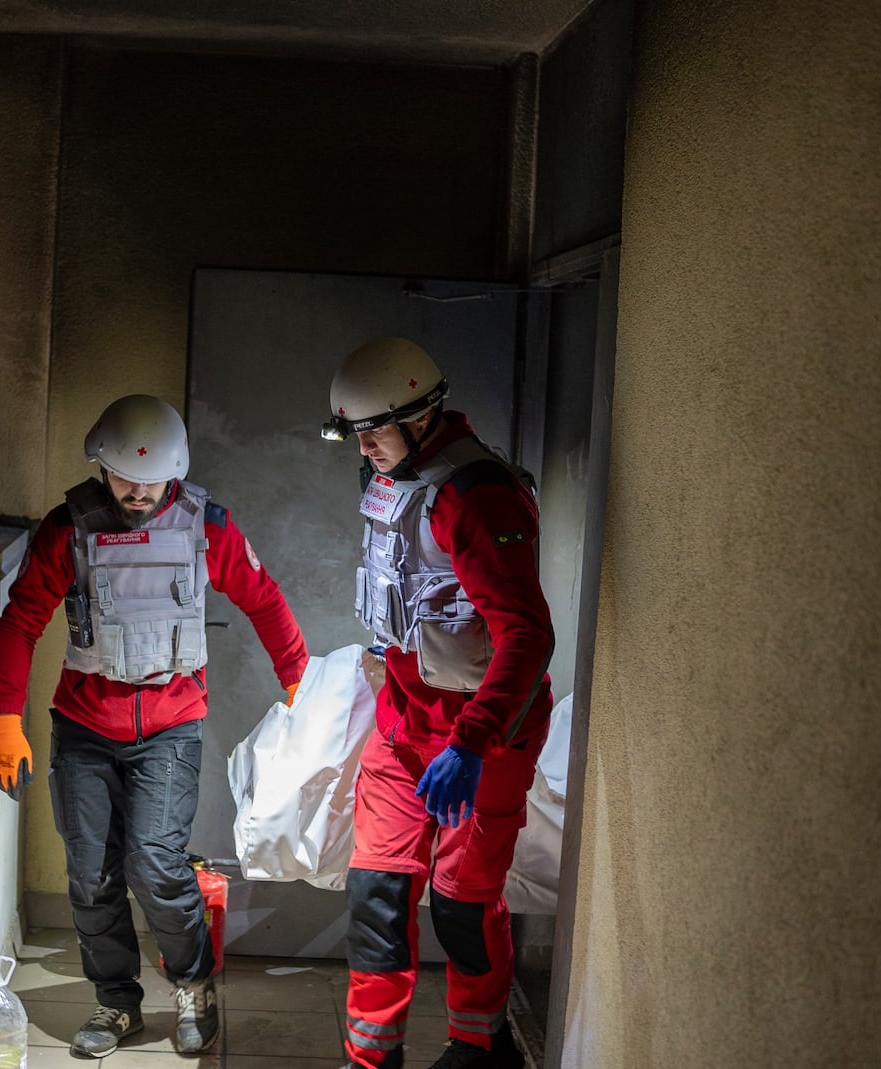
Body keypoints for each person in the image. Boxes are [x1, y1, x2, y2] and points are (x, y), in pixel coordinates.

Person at [0, 393, 308, 1058]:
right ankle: (116, 1003)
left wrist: (298, 676)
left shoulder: (205, 526)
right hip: (84, 726)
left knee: (156, 863)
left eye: (152, 479)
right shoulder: (67, 529)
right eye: (125, 477)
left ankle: (194, 985)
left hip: (170, 727)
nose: (137, 492)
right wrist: (5, 722)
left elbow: (263, 596)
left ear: (178, 470)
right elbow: (19, 621)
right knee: (91, 873)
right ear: (100, 465)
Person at [321, 338, 555, 1069]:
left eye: (376, 429)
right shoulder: (396, 478)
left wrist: (473, 742)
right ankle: (372, 1057)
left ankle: (480, 1048)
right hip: (406, 726)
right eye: (354, 432)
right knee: (378, 894)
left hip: (482, 739)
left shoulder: (475, 496)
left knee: (460, 904)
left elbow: (527, 636)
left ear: (424, 416)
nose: (364, 445)